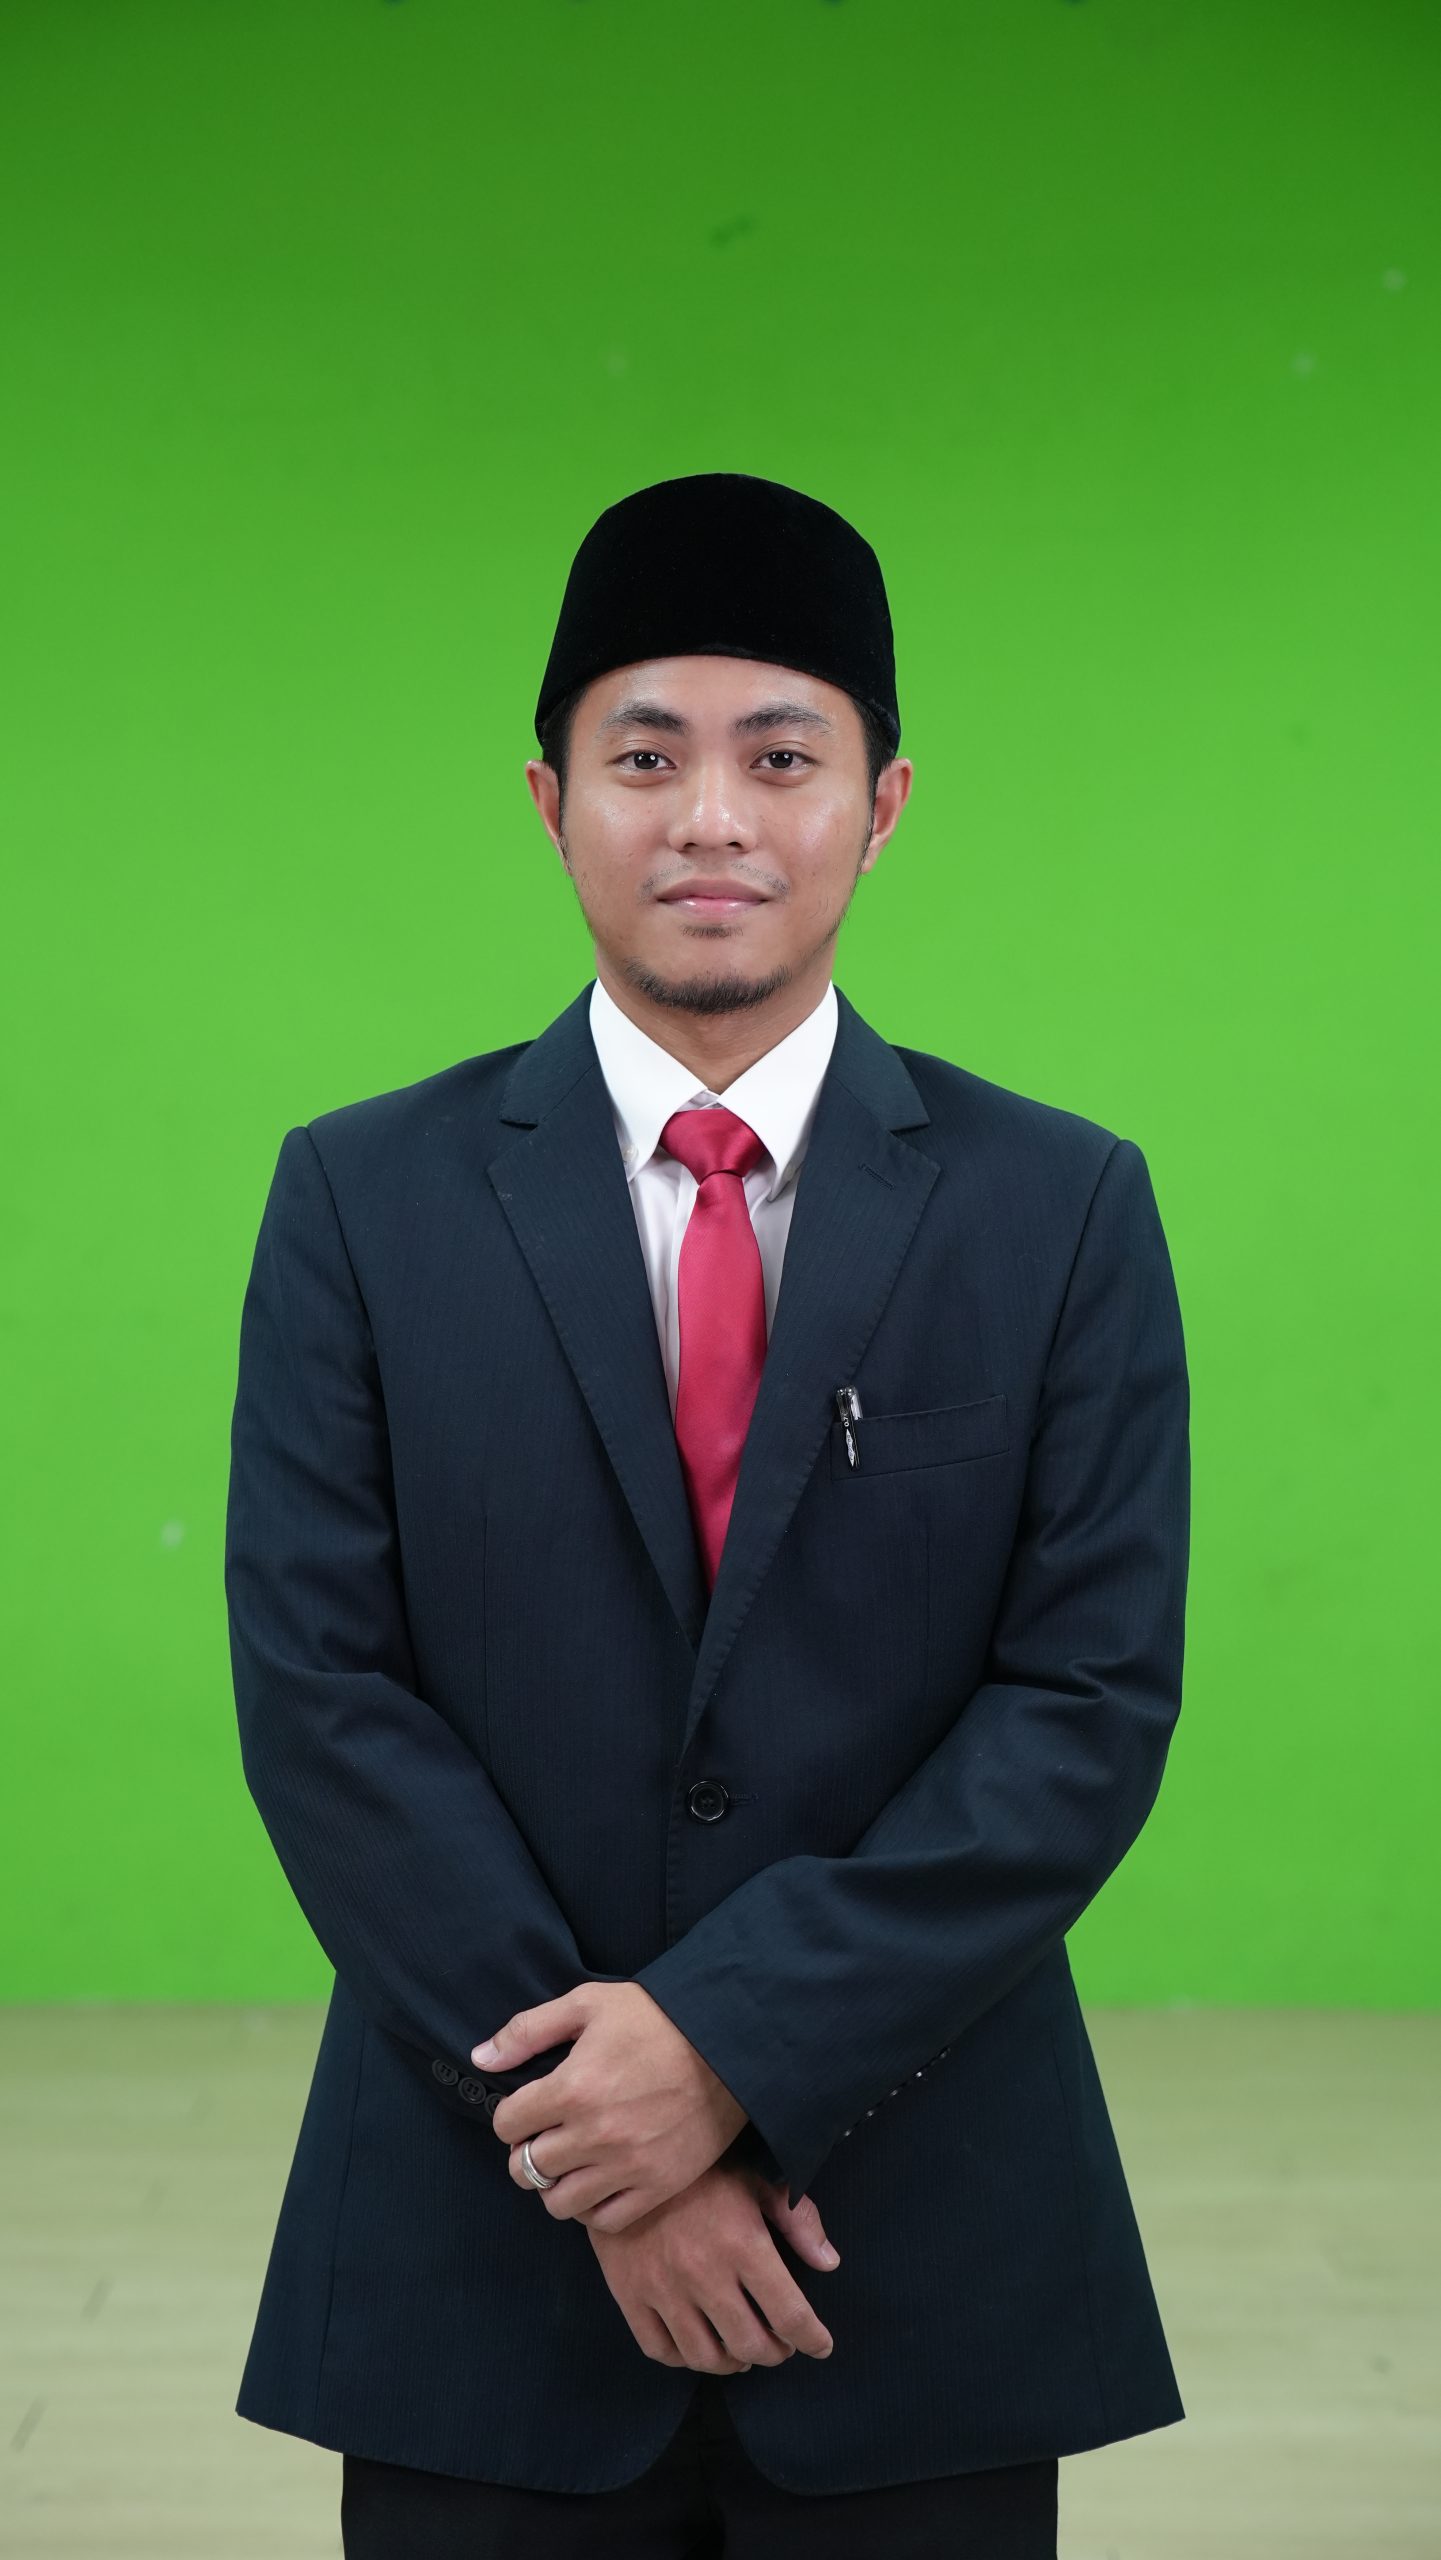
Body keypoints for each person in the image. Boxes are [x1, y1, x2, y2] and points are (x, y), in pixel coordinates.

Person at [225, 471, 1191, 2558]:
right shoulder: (360, 1200)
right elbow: (325, 1698)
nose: (712, 820)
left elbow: (1081, 1707)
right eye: (645, 756)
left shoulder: (1059, 1209)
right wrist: (608, 2140)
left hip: (914, 2245)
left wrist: (729, 2050)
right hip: (481, 2247)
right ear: (551, 798)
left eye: (782, 756)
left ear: (884, 803)